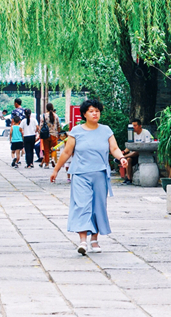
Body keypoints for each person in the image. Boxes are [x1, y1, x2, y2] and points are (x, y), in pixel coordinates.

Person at [50, 99, 128, 255]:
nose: (95, 114)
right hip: (80, 174)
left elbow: (114, 148)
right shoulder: (76, 131)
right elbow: (66, 152)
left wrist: (121, 158)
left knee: (98, 207)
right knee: (82, 205)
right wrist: (56, 170)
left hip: (100, 174)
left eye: (97, 111)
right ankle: (83, 241)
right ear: (84, 114)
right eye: (91, 111)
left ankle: (94, 239)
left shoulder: (106, 130)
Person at [121, 119, 153, 184]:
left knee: (135, 153)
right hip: (134, 153)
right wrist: (123, 151)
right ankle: (129, 178)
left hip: (143, 153)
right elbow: (130, 146)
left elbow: (147, 145)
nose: (133, 127)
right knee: (129, 159)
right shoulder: (133, 134)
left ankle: (122, 158)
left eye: (135, 125)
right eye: (132, 126)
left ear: (140, 126)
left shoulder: (145, 132)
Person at [40, 104, 60, 168]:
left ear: (46, 108)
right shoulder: (55, 116)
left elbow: (41, 125)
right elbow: (58, 126)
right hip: (54, 135)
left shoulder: (43, 116)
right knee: (53, 149)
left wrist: (39, 133)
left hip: (46, 135)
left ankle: (47, 164)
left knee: (46, 150)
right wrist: (58, 133)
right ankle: (53, 159)